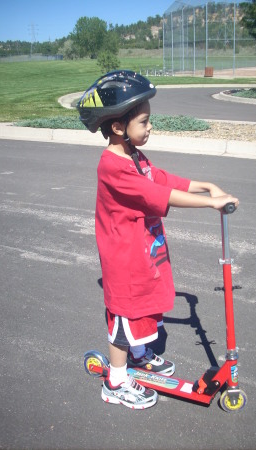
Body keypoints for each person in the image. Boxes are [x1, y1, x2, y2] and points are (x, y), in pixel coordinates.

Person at [77, 70, 239, 410]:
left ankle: (138, 357)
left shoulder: (134, 157)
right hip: (124, 260)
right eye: (145, 122)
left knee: (145, 309)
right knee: (125, 318)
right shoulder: (113, 167)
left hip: (143, 255)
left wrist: (204, 184)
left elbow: (162, 178)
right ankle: (116, 381)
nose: (150, 128)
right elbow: (158, 194)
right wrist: (210, 203)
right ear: (118, 127)